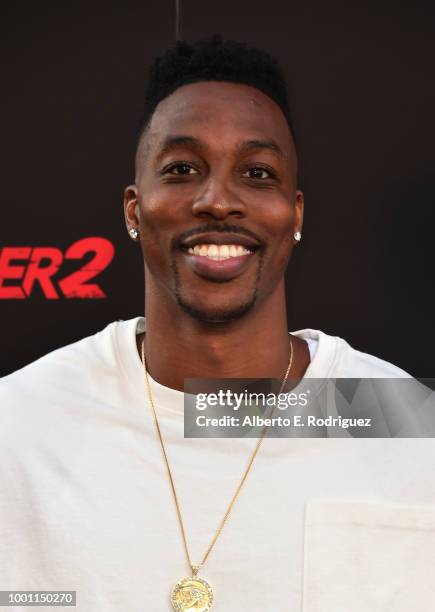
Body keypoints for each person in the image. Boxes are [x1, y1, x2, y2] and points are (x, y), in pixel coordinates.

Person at [1, 36, 434, 612]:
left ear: (295, 213)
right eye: (182, 169)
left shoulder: (406, 426)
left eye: (257, 173)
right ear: (134, 209)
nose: (218, 199)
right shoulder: (18, 422)